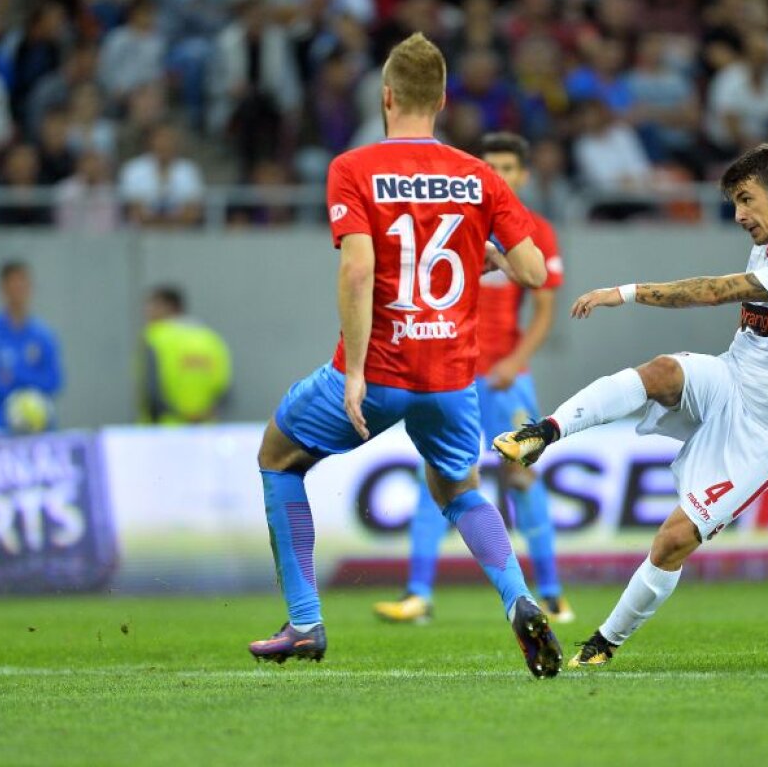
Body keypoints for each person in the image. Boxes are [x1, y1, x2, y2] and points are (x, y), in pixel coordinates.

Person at [248, 33, 561, 678]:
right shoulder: (479, 176)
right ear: (443, 100)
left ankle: (305, 621)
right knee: (460, 489)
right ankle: (520, 600)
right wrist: (491, 242)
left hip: (382, 368)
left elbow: (358, 269)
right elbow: (531, 271)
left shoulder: (353, 168)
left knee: (278, 457)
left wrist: (356, 372)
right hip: (451, 378)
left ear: (386, 96)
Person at [494, 144, 768, 668]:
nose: (739, 216)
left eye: (745, 201)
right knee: (661, 371)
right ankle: (544, 433)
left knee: (673, 541)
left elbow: (714, 292)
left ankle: (603, 643)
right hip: (730, 379)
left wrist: (627, 292)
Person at [373, 131, 572, 625]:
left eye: (508, 167)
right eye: (491, 167)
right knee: (435, 480)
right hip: (452, 376)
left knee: (523, 477)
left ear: (522, 175)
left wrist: (514, 360)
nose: (499, 176)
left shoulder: (536, 233)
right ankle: (417, 594)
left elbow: (545, 311)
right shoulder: (455, 225)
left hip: (508, 379)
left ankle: (550, 593)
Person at [0, 261, 62, 429]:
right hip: (1, 429)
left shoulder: (44, 335)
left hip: (41, 430)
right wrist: (32, 381)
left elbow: (54, 381)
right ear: (3, 289)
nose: (18, 289)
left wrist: (14, 376)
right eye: (13, 284)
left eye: (23, 283)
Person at [139, 286, 232, 425]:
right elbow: (224, 390)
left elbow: (151, 392)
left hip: (163, 430)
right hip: (204, 430)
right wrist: (200, 416)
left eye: (153, 306)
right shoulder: (211, 339)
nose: (147, 311)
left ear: (170, 307)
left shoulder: (154, 337)